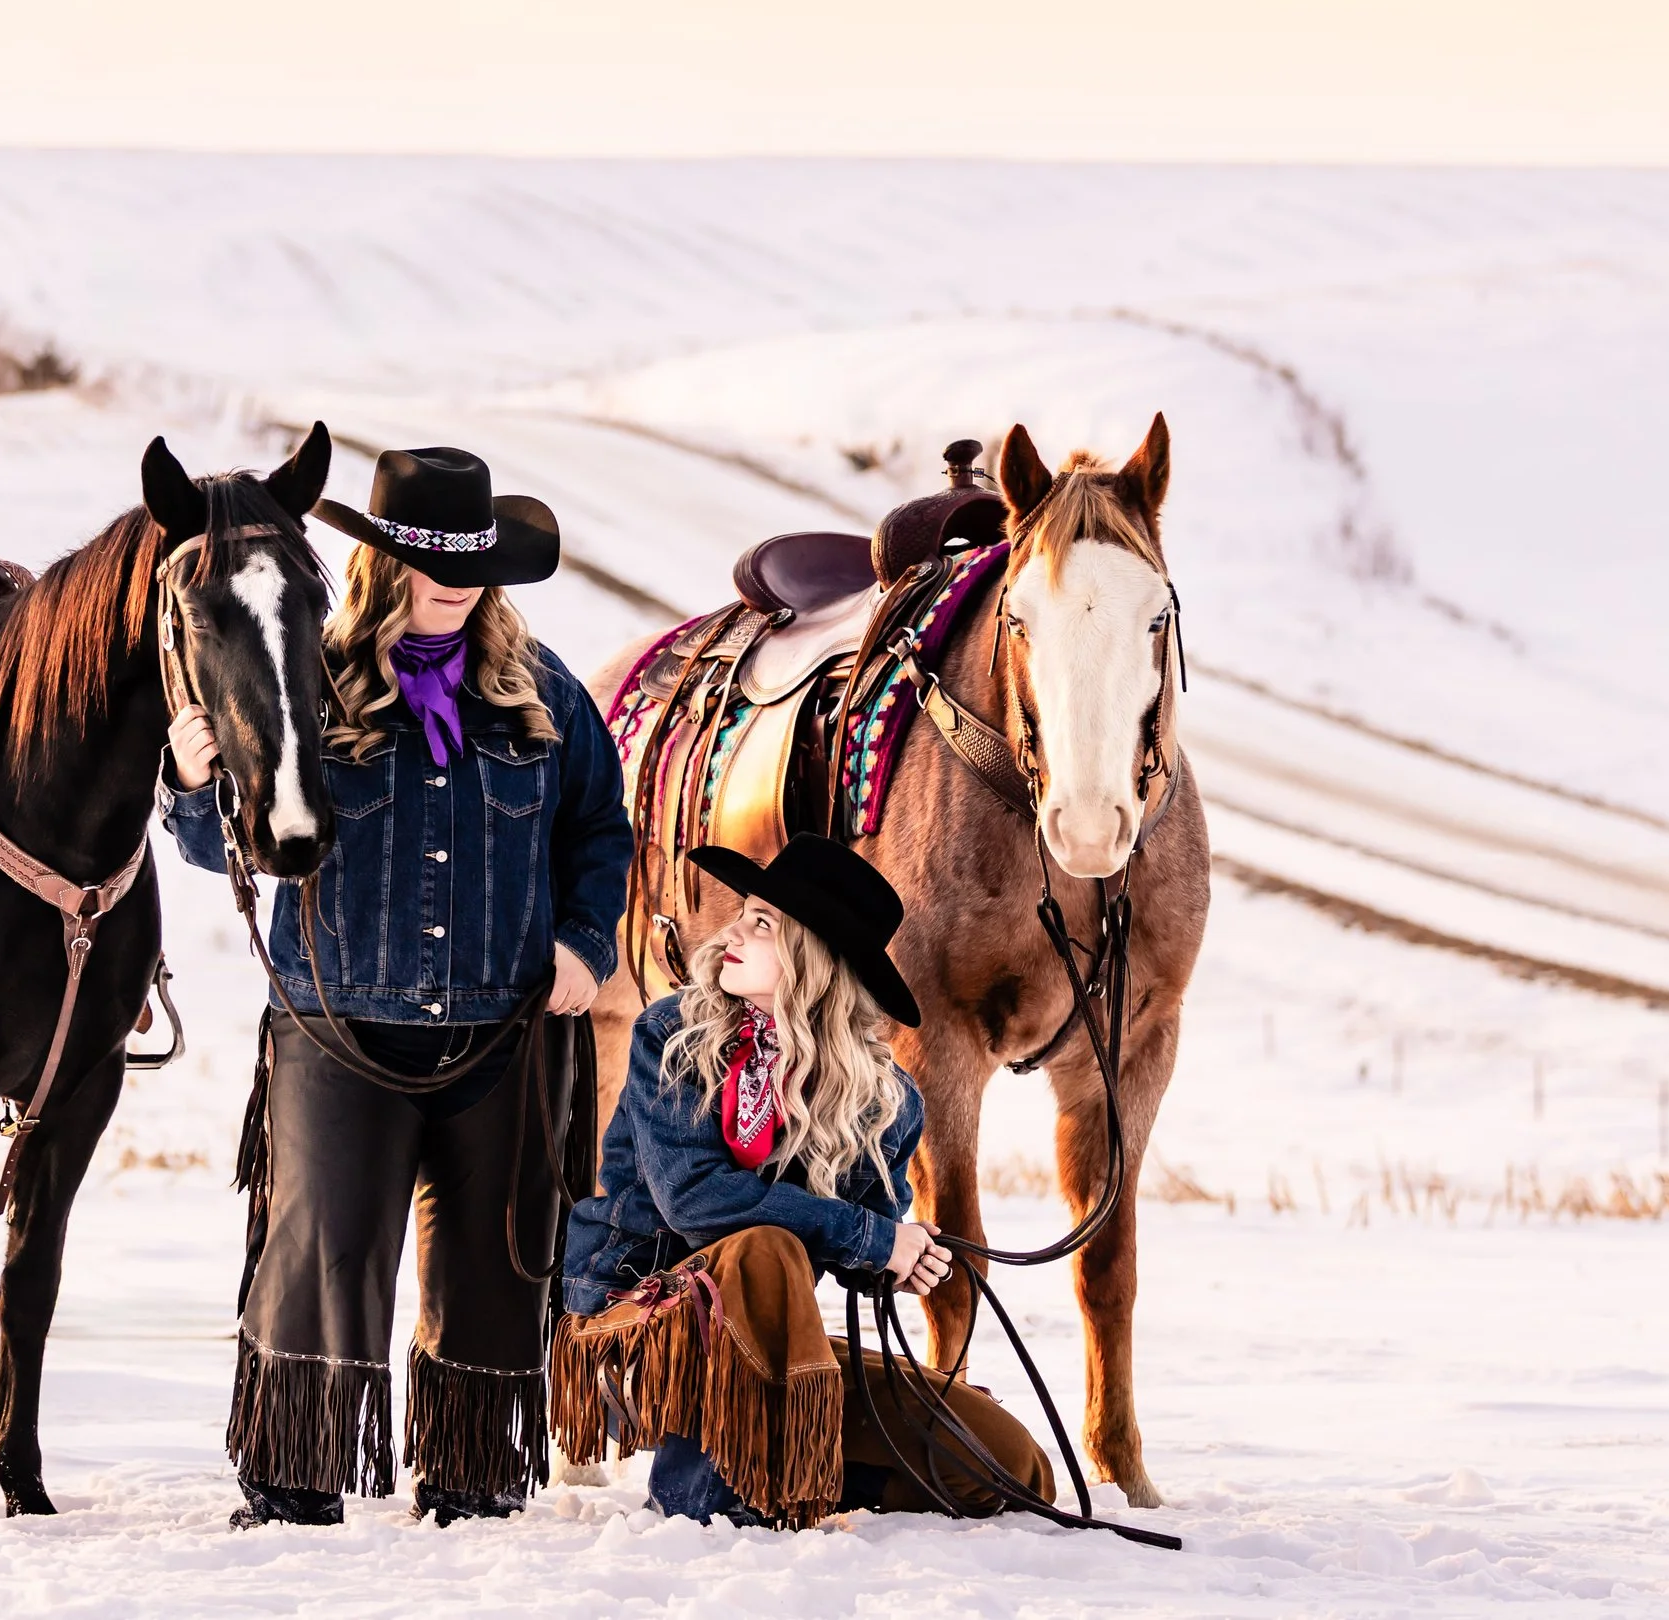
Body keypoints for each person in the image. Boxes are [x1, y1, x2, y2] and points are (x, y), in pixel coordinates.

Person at [161, 445, 633, 1528]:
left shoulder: (543, 693)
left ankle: (470, 1479)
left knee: (494, 1267)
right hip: (337, 1028)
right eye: (433, 560)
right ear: (384, 567)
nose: (460, 581)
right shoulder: (307, 681)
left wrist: (581, 944)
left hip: (499, 1028)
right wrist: (190, 784)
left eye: (474, 560)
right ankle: (296, 1478)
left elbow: (600, 831)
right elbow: (220, 843)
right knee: (321, 1253)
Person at [554, 834, 1054, 1527]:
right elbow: (697, 1202)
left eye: (761, 923)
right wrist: (870, 1238)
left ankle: (790, 1471)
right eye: (744, 913)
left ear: (815, 960)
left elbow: (870, 1245)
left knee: (1008, 1464)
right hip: (642, 1331)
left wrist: (902, 1259)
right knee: (765, 1248)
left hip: (776, 1353)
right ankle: (706, 1495)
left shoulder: (887, 1100)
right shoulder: (672, 1036)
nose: (731, 931)